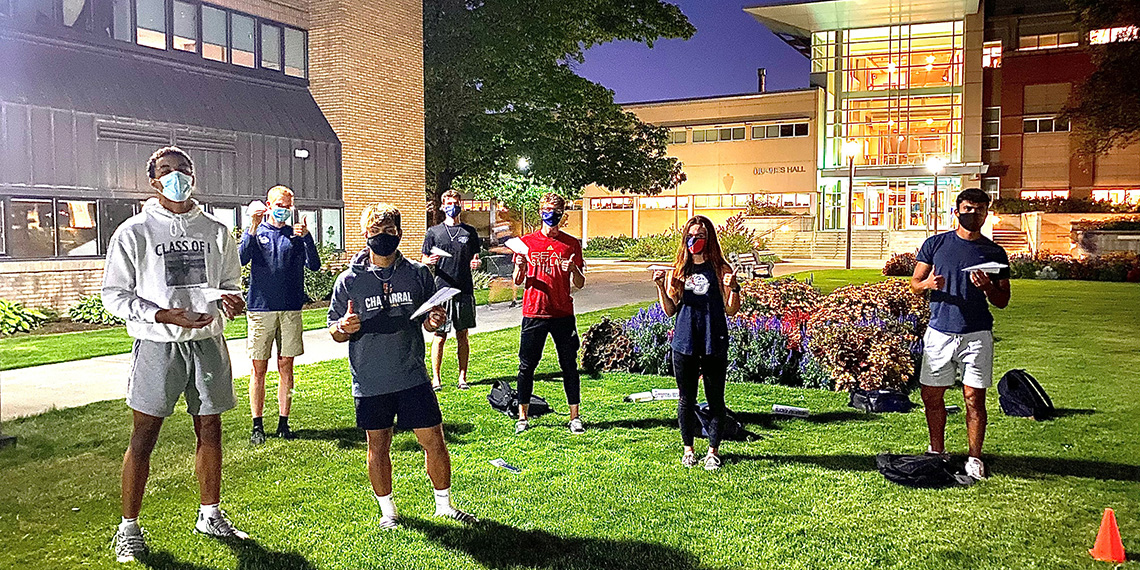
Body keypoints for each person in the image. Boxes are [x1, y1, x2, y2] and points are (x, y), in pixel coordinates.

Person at [102, 146, 249, 563]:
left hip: (207, 342)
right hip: (158, 344)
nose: (176, 177)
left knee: (210, 430)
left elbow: (229, 281)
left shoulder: (217, 230)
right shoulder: (134, 232)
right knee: (144, 436)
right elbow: (114, 295)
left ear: (194, 176)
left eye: (183, 169)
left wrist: (231, 301)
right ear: (153, 181)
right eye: (166, 171)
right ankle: (128, 527)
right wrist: (160, 314)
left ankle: (210, 513)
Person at [327, 202, 477, 529]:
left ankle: (445, 506)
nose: (383, 236)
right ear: (365, 234)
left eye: (390, 231)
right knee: (378, 447)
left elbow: (428, 321)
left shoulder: (417, 274)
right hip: (370, 381)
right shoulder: (349, 281)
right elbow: (335, 331)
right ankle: (388, 513)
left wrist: (435, 319)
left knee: (434, 440)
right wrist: (343, 327)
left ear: (399, 233)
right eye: (376, 231)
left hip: (412, 376)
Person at [910, 188, 1011, 481]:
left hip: (977, 333)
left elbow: (1003, 300)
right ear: (956, 211)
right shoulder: (936, 244)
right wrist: (928, 283)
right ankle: (936, 449)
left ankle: (975, 458)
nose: (973, 214)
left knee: (973, 398)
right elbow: (914, 283)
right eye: (968, 208)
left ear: (986, 213)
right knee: (931, 394)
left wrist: (988, 288)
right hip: (940, 331)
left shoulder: (994, 252)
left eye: (980, 209)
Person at [652, 216, 741, 471]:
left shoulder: (721, 270)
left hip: (713, 340)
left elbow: (732, 309)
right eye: (690, 236)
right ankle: (688, 449)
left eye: (699, 236)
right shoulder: (679, 270)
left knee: (715, 399)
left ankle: (713, 451)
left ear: (708, 239)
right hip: (685, 341)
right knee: (685, 399)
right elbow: (670, 310)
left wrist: (733, 288)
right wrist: (661, 286)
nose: (694, 241)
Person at [240, 185, 320, 444]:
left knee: (286, 366)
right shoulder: (257, 231)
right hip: (261, 308)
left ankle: (284, 423)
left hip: (290, 308)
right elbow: (241, 258)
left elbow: (315, 265)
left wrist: (306, 237)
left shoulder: (295, 235)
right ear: (268, 204)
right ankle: (257, 425)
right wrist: (252, 227)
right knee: (258, 367)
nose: (283, 210)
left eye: (288, 206)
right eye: (279, 205)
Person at [512, 193, 586, 434]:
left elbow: (581, 282)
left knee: (569, 365)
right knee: (526, 366)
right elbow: (517, 279)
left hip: (562, 312)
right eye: (545, 209)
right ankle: (522, 416)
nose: (549, 214)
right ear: (540, 211)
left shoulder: (571, 244)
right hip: (534, 311)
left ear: (562, 214)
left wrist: (573, 268)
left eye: (554, 210)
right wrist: (521, 268)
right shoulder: (526, 243)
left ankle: (575, 416)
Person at [421, 190, 482, 391]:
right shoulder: (434, 232)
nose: (452, 206)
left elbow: (475, 257)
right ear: (442, 206)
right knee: (439, 335)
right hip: (442, 290)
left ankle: (462, 377)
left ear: (460, 205)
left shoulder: (469, 232)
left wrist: (476, 262)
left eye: (456, 203)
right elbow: (423, 258)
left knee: (462, 334)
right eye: (448, 203)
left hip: (464, 289)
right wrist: (428, 261)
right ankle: (436, 379)